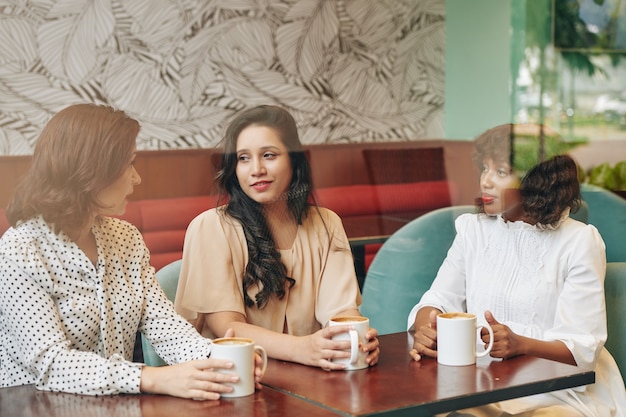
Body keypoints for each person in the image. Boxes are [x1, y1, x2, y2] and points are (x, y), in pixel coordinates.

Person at [0, 103, 263, 399]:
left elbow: (164, 326)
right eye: (128, 164)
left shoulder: (125, 238)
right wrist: (150, 378)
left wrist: (218, 359)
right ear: (91, 171)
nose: (136, 178)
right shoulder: (20, 250)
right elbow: (50, 364)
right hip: (30, 405)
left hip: (113, 404)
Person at [407, 124, 626, 416]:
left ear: (536, 182)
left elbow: (582, 350)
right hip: (478, 386)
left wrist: (521, 344)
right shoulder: (473, 230)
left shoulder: (579, 242)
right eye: (484, 169)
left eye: (500, 172)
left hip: (556, 392)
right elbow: (436, 300)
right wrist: (425, 328)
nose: (485, 181)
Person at [174, 105, 380, 371]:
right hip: (236, 380)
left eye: (269, 155)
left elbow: (340, 313)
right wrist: (303, 349)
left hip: (313, 378)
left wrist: (356, 340)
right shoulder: (212, 227)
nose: (256, 169)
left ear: (294, 160)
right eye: (243, 158)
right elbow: (226, 327)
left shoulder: (327, 224)